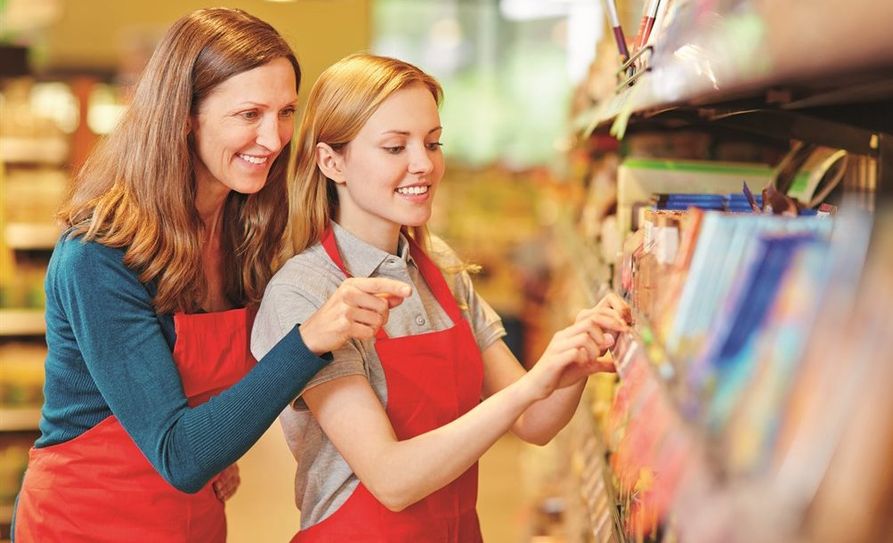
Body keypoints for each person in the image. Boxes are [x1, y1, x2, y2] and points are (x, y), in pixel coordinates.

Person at [12, 11, 410, 543]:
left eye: (285, 111)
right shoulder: (98, 256)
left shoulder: (244, 232)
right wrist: (310, 339)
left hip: (192, 520)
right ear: (184, 116)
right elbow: (180, 454)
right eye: (249, 114)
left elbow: (197, 435)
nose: (272, 138)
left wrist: (219, 438)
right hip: (86, 522)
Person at [251, 53, 633, 542]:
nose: (423, 164)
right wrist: (530, 386)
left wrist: (573, 363)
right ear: (332, 161)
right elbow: (391, 479)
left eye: (433, 143)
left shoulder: (441, 270)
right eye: (395, 147)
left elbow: (534, 422)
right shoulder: (306, 292)